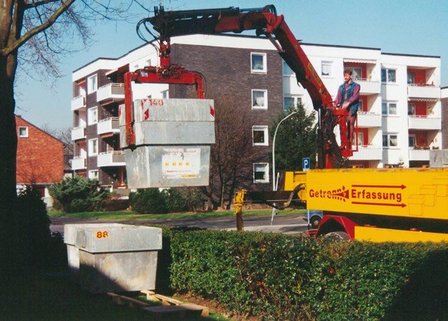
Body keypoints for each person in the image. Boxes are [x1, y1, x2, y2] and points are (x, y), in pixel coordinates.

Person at [334, 69, 360, 147]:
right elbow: (338, 98)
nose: (345, 77)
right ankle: (343, 143)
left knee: (350, 124)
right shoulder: (341, 87)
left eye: (347, 75)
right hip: (343, 108)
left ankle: (349, 143)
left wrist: (348, 103)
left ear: (350, 76)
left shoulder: (356, 86)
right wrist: (335, 104)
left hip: (352, 108)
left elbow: (355, 96)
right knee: (342, 125)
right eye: (344, 76)